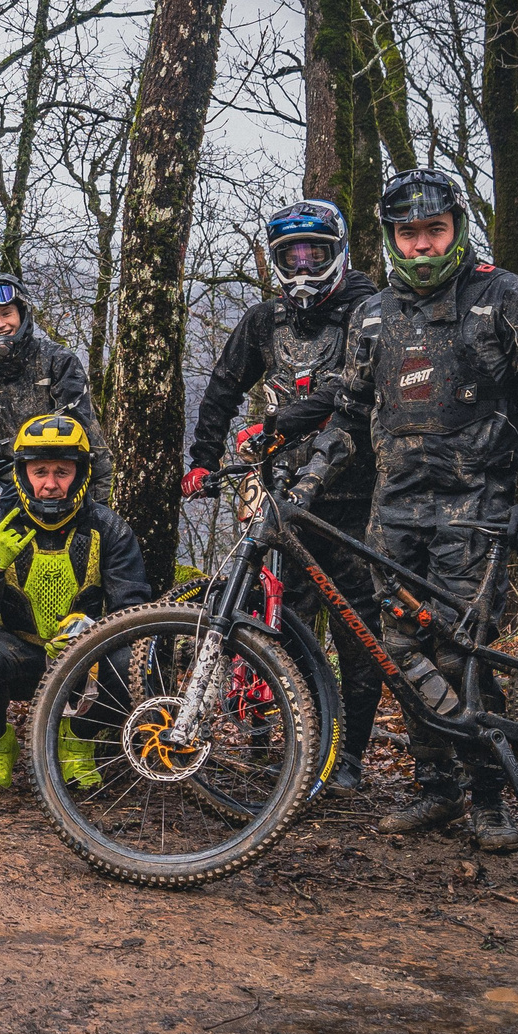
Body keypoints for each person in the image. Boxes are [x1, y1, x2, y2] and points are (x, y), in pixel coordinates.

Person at [283, 167, 518, 854]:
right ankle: (437, 787)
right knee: (396, 652)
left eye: (433, 231)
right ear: (391, 238)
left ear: (455, 228)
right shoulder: (372, 314)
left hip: (476, 511)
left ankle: (488, 799)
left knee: (457, 656)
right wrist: (306, 483)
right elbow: (350, 414)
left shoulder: (508, 299)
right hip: (393, 515)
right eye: (407, 234)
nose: (421, 246)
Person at [182, 199, 382, 795]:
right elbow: (221, 387)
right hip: (279, 499)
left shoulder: (368, 313)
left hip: (356, 499)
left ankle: (349, 758)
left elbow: (357, 395)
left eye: (313, 255)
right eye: (288, 257)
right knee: (280, 624)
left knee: (357, 630)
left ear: (338, 252)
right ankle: (284, 750)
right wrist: (202, 457)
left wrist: (277, 426)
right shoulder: (264, 322)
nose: (301, 269)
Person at [0, 415, 150, 790]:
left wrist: (90, 635)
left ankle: (78, 739)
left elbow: (134, 615)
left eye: (62, 471)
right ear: (22, 475)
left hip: (84, 655)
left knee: (132, 662)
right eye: (40, 471)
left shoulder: (109, 528)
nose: (50, 485)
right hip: (15, 648)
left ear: (82, 474)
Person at [0, 273, 111, 486]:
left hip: (77, 483)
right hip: (19, 486)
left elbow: (65, 429)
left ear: (22, 315)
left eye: (7, 314)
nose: (0, 324)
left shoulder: (59, 361)